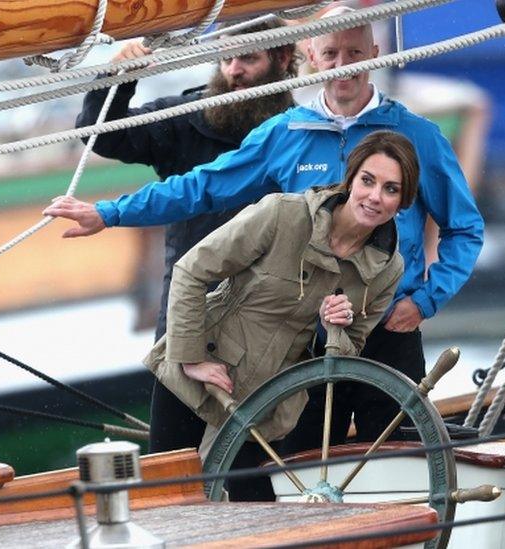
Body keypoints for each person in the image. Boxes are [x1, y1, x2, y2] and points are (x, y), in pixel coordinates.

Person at [44, 5, 484, 451]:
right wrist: (110, 214)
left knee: (400, 461)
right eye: (331, 52)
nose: (343, 64)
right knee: (296, 464)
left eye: (355, 52)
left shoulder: (418, 136)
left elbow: (464, 228)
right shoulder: (286, 133)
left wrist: (426, 300)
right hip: (304, 338)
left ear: (374, 52)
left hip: (390, 326)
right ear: (311, 55)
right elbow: (203, 186)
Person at [142, 130, 415, 498]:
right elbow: (191, 269)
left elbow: (346, 354)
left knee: (253, 514)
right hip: (196, 375)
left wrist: (333, 328)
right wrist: (191, 359)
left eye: (391, 189)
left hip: (264, 404)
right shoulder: (282, 214)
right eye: (368, 181)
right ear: (351, 179)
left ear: (403, 201)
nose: (375, 197)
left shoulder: (388, 268)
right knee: (168, 499)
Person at [72, 19, 297, 454]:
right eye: (227, 58)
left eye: (247, 58)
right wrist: (119, 77)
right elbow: (102, 135)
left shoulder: (299, 132)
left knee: (260, 451)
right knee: (173, 451)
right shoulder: (187, 120)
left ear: (283, 59)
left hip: (268, 315)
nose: (233, 70)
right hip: (188, 309)